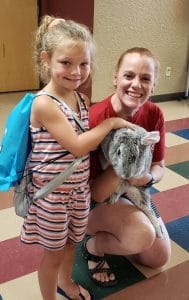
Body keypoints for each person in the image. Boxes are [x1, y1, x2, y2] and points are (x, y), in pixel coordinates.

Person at [20, 16, 133, 300]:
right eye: (66, 63)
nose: (77, 71)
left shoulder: (80, 98)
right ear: (46, 60)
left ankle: (67, 282)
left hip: (78, 192)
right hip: (52, 196)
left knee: (72, 243)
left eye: (84, 64)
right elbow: (78, 146)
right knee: (53, 254)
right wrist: (110, 124)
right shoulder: (44, 103)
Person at [83, 47, 172, 286]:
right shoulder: (96, 118)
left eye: (145, 79)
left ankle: (125, 232)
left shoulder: (154, 113)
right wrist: (125, 167)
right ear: (115, 77)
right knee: (142, 234)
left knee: (158, 257)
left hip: (135, 192)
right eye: (129, 75)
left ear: (153, 86)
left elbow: (159, 166)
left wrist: (147, 179)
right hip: (93, 202)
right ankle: (93, 246)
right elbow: (95, 193)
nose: (136, 85)